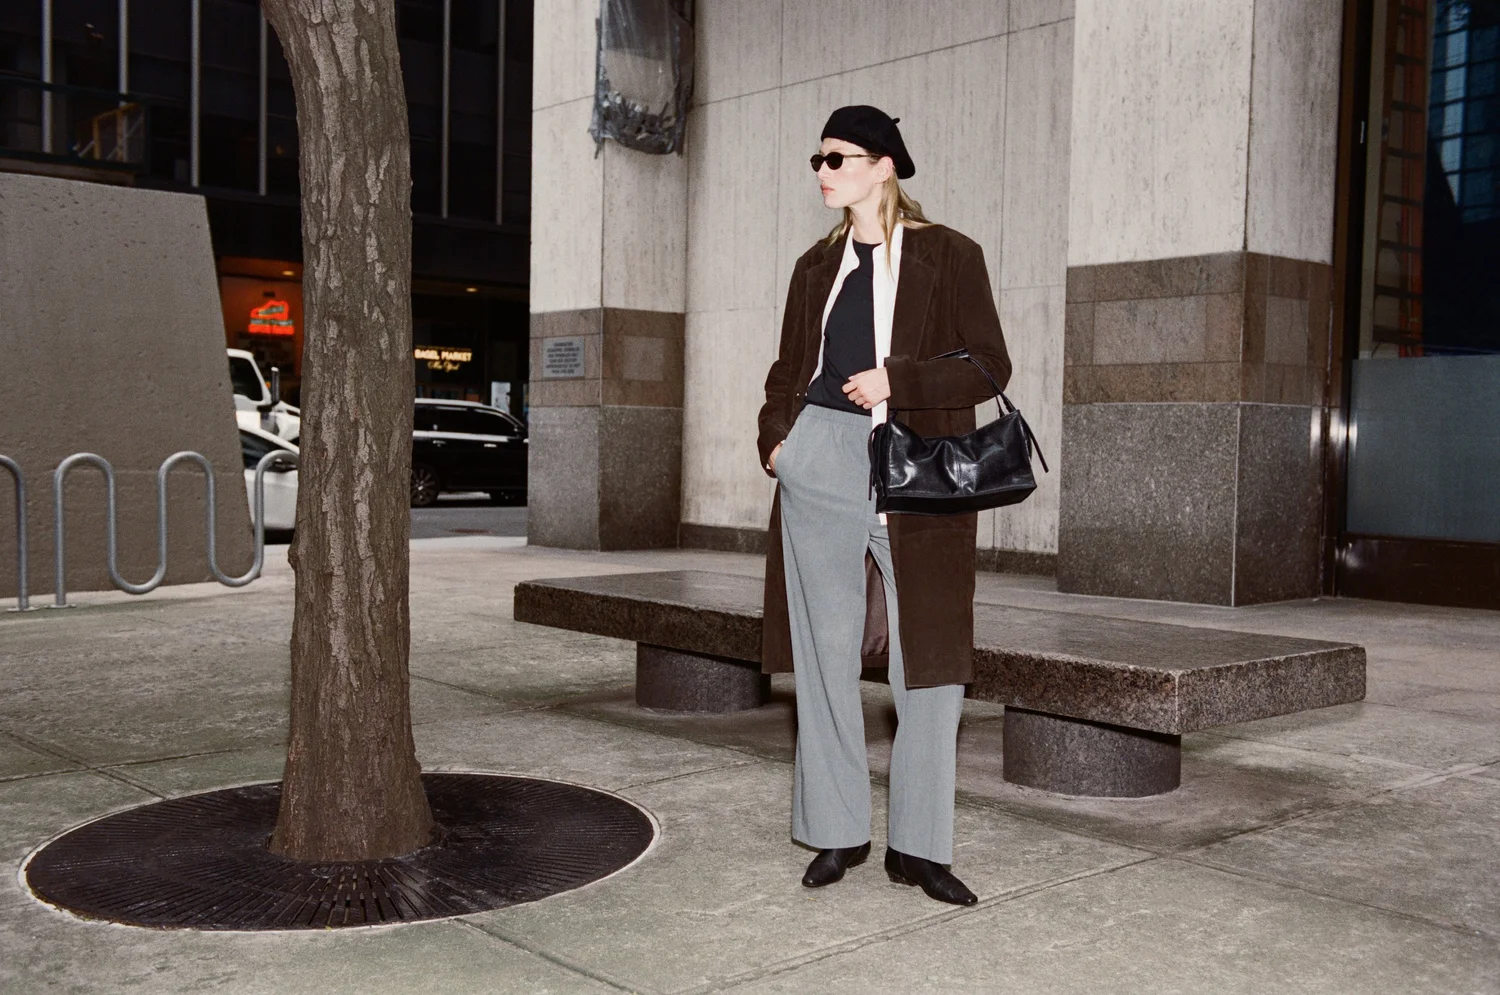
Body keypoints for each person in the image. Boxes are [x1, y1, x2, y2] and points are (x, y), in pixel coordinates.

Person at [757, 105, 1012, 906]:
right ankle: (838, 829)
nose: (823, 171)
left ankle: (920, 847)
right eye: (818, 158)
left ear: (883, 166)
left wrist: (899, 379)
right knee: (825, 653)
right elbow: (787, 369)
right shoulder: (814, 266)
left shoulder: (950, 254)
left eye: (838, 158)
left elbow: (990, 365)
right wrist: (778, 445)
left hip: (920, 459)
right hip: (821, 457)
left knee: (930, 658)